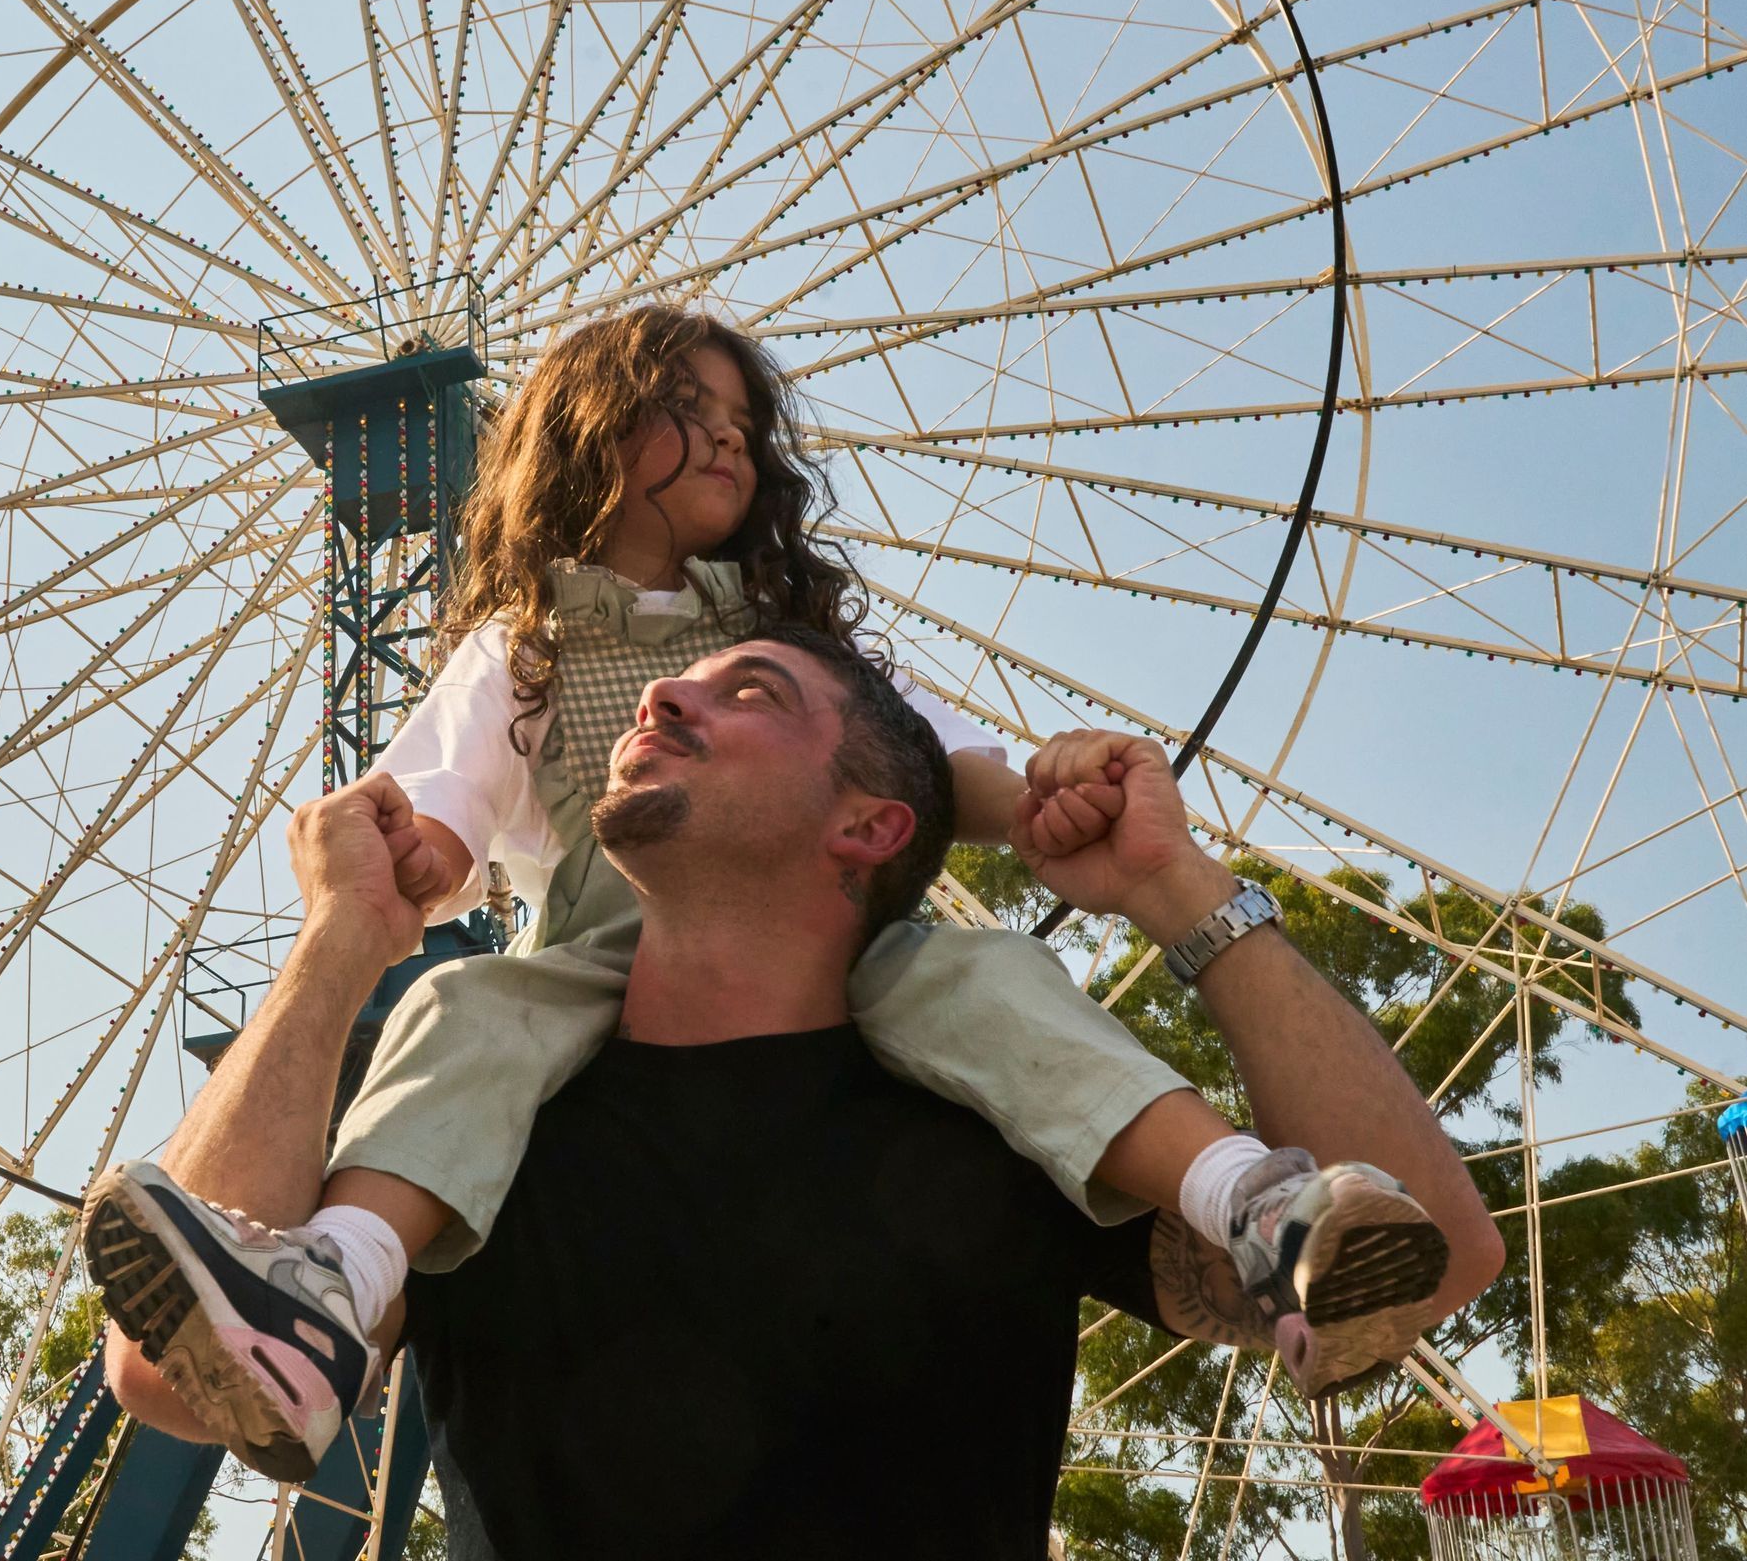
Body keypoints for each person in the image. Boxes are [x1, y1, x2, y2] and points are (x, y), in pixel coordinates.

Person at [87, 305, 1460, 1479]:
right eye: (681, 407)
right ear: (586, 438)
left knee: (986, 980)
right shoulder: (524, 654)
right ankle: (330, 1287)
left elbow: (943, 769)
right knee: (461, 1006)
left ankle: (1251, 1203)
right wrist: (362, 917)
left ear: (863, 819)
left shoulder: (800, 654)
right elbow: (436, 819)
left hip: (863, 954)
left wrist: (1082, 825)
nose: (732, 435)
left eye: (742, 415)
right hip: (583, 955)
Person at [90, 630, 1504, 1556]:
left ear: (871, 823)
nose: (656, 691)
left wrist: (1173, 889)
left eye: (746, 688)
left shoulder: (996, 1112)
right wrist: (339, 943)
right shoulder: (480, 1120)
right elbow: (169, 1373)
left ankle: (1254, 1201)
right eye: (669, 686)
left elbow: (1430, 1257)